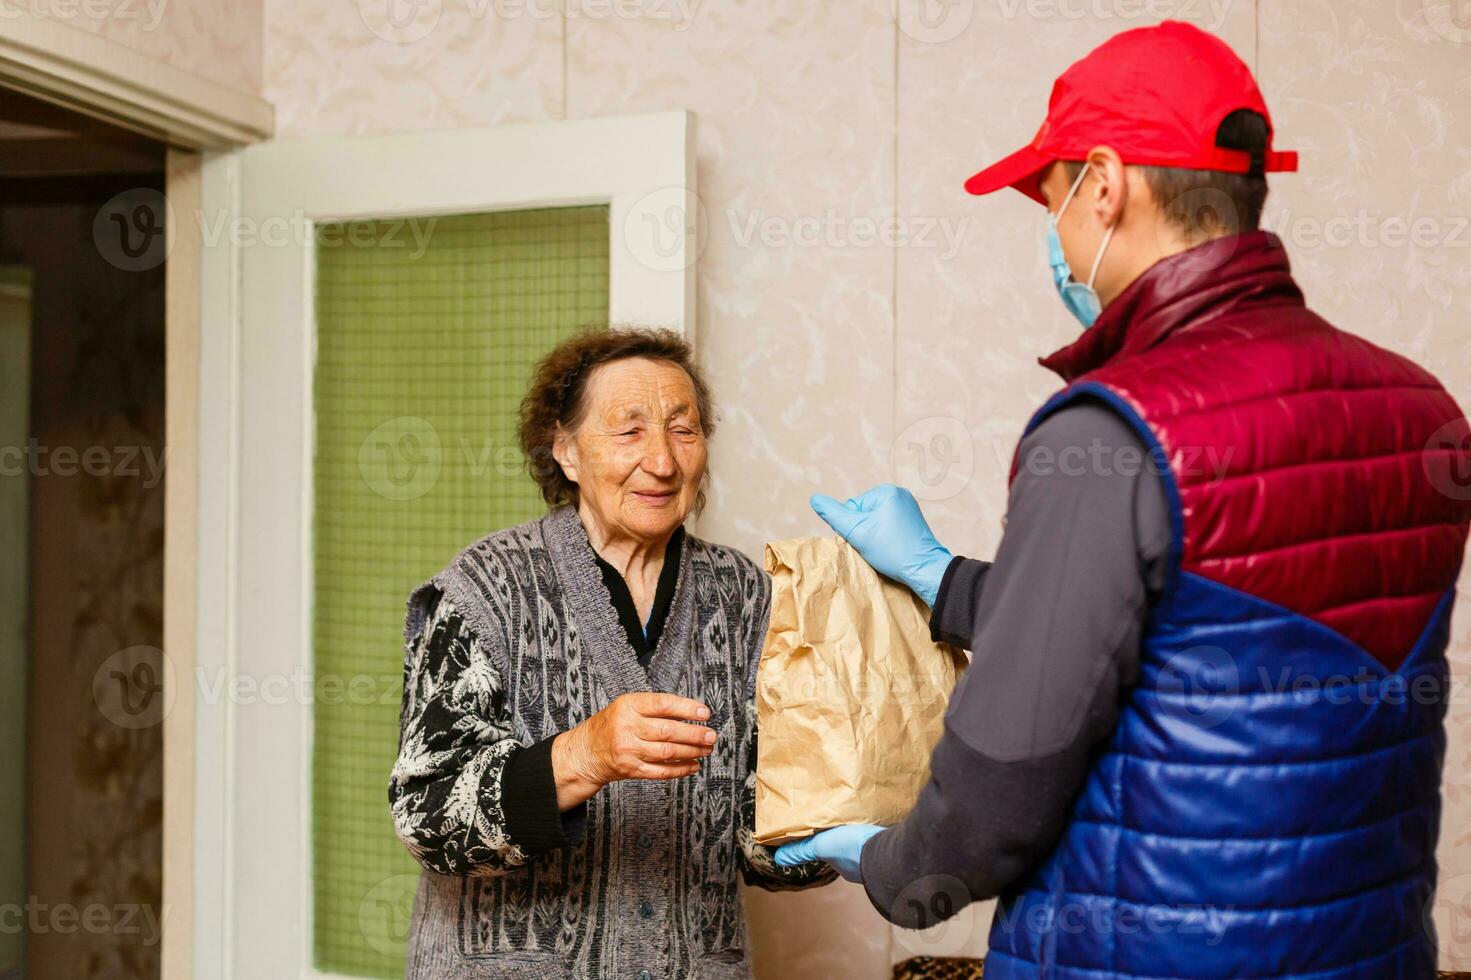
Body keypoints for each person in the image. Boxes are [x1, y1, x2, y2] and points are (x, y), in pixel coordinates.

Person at [776, 20, 1471, 979]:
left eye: (1053, 200)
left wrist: (891, 864)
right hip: (1368, 950)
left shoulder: (1109, 432)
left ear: (1105, 186)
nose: (1055, 235)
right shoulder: (1417, 406)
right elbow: (1214, 631)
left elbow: (997, 797)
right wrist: (942, 579)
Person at [390, 327, 832, 980]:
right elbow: (428, 819)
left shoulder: (745, 594)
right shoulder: (485, 588)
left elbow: (755, 837)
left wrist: (847, 821)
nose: (661, 460)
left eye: (683, 430)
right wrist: (583, 755)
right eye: (629, 431)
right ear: (565, 450)